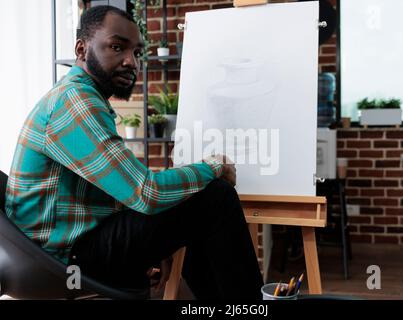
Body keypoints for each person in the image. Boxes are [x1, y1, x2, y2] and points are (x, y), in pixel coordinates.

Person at [5, 5, 263, 300]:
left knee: (194, 204)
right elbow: (146, 192)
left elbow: (124, 192)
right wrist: (215, 166)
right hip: (59, 261)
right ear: (81, 49)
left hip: (64, 248)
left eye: (137, 53)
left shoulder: (79, 96)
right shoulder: (75, 102)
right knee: (215, 196)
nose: (131, 62)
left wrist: (163, 245)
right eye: (117, 47)